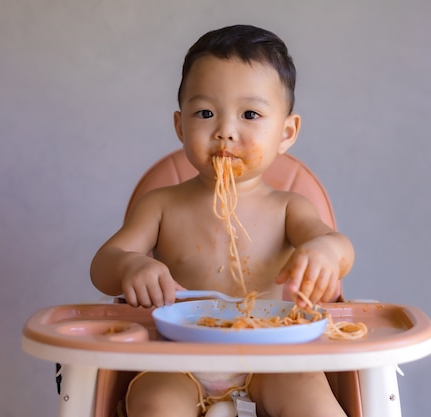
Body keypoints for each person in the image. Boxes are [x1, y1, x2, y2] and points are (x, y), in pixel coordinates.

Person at [90, 24, 355, 417]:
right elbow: (104, 264)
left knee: (312, 398)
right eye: (205, 113)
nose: (225, 132)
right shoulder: (160, 204)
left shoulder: (289, 208)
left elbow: (336, 244)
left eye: (250, 114)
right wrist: (130, 264)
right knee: (154, 403)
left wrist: (324, 253)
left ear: (286, 132)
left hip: (270, 356)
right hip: (176, 358)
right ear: (180, 126)